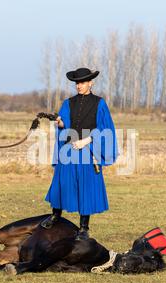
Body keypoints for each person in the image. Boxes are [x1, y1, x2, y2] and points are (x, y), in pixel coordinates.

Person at [42, 67, 119, 240]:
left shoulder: (99, 103)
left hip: (88, 150)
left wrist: (88, 140)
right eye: (77, 83)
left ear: (90, 83)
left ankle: (84, 227)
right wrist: (60, 123)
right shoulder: (68, 103)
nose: (79, 86)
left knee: (86, 186)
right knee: (62, 182)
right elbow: (64, 126)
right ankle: (56, 215)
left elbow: (106, 129)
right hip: (69, 149)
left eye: (82, 82)